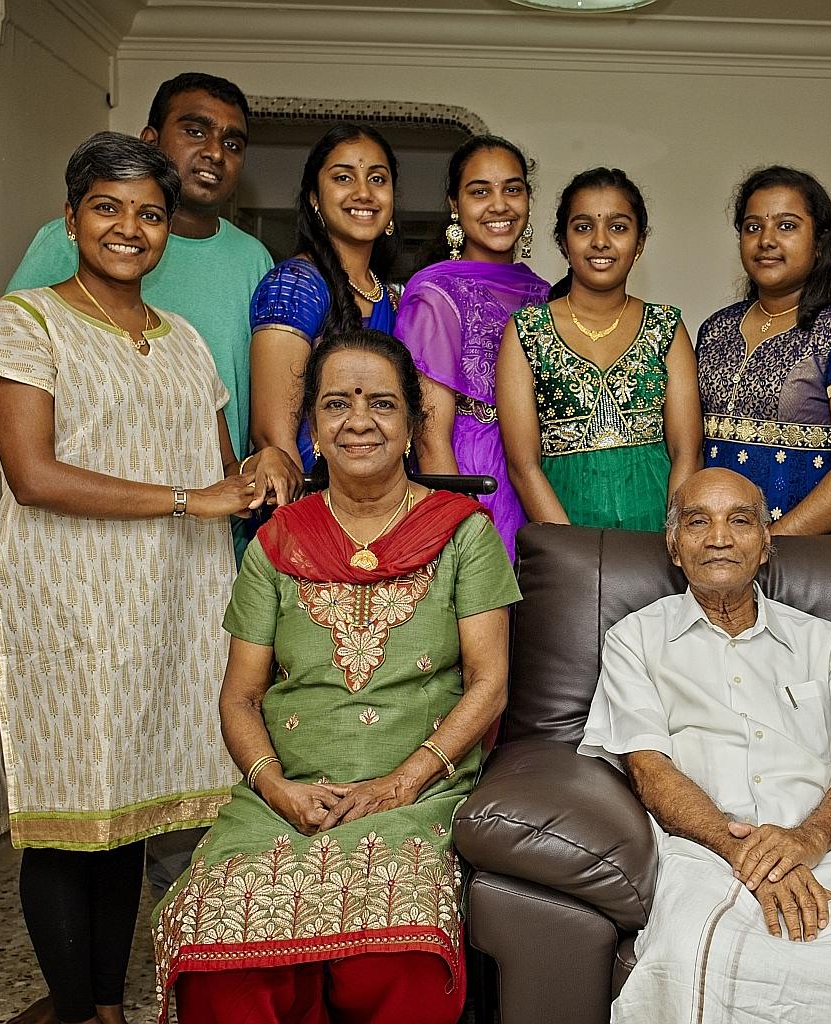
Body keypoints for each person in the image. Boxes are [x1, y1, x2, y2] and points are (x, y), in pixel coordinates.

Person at [0, 132, 298, 1024]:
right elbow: (34, 475)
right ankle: (75, 1006)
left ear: (168, 229)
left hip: (169, 603)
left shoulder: (181, 342)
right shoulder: (27, 320)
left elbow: (224, 472)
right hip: (67, 597)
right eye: (108, 207)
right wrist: (192, 499)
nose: (129, 229)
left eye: (149, 214)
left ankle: (98, 1006)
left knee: (126, 814)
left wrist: (266, 469)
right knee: (66, 816)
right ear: (71, 218)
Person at [154, 328, 520, 1023]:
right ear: (313, 429)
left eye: (381, 403)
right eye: (336, 404)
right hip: (285, 797)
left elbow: (489, 684)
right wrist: (274, 786)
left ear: (413, 424)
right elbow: (239, 696)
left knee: (394, 957)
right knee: (218, 955)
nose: (358, 421)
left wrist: (403, 782)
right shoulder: (276, 542)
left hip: (417, 791)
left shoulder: (464, 533)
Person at [579, 467, 831, 1023]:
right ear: (675, 547)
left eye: (740, 521)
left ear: (765, 544)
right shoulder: (634, 639)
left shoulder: (824, 643)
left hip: (830, 848)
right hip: (704, 848)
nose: (719, 537)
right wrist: (746, 852)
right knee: (686, 960)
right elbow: (650, 771)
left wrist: (807, 840)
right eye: (698, 522)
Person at [7, 73, 272, 470]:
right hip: (88, 513)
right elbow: (17, 378)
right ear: (150, 141)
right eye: (196, 131)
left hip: (216, 512)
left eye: (232, 143)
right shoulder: (73, 240)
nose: (216, 153)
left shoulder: (254, 259)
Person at [498, 167, 701, 531]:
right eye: (583, 227)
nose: (601, 241)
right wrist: (570, 550)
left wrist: (675, 537)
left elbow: (686, 453)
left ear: (639, 244)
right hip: (562, 536)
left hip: (656, 537)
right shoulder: (526, 331)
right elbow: (523, 466)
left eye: (619, 227)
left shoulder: (666, 327)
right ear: (563, 241)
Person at [696, 166, 831, 534]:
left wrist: (773, 542)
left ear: (820, 242)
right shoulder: (715, 329)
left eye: (786, 226)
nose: (766, 240)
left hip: (809, 557)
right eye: (753, 226)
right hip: (716, 548)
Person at [393, 135, 549, 558]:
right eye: (480, 191)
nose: (499, 205)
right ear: (454, 206)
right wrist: (456, 527)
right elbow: (428, 437)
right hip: (475, 473)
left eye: (512, 189)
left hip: (539, 473)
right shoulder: (435, 292)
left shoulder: (543, 294)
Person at [250, 124, 401, 473]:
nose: (363, 193)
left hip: (376, 496)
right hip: (310, 496)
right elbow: (273, 436)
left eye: (377, 179)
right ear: (314, 198)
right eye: (343, 178)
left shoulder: (388, 295)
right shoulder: (295, 285)